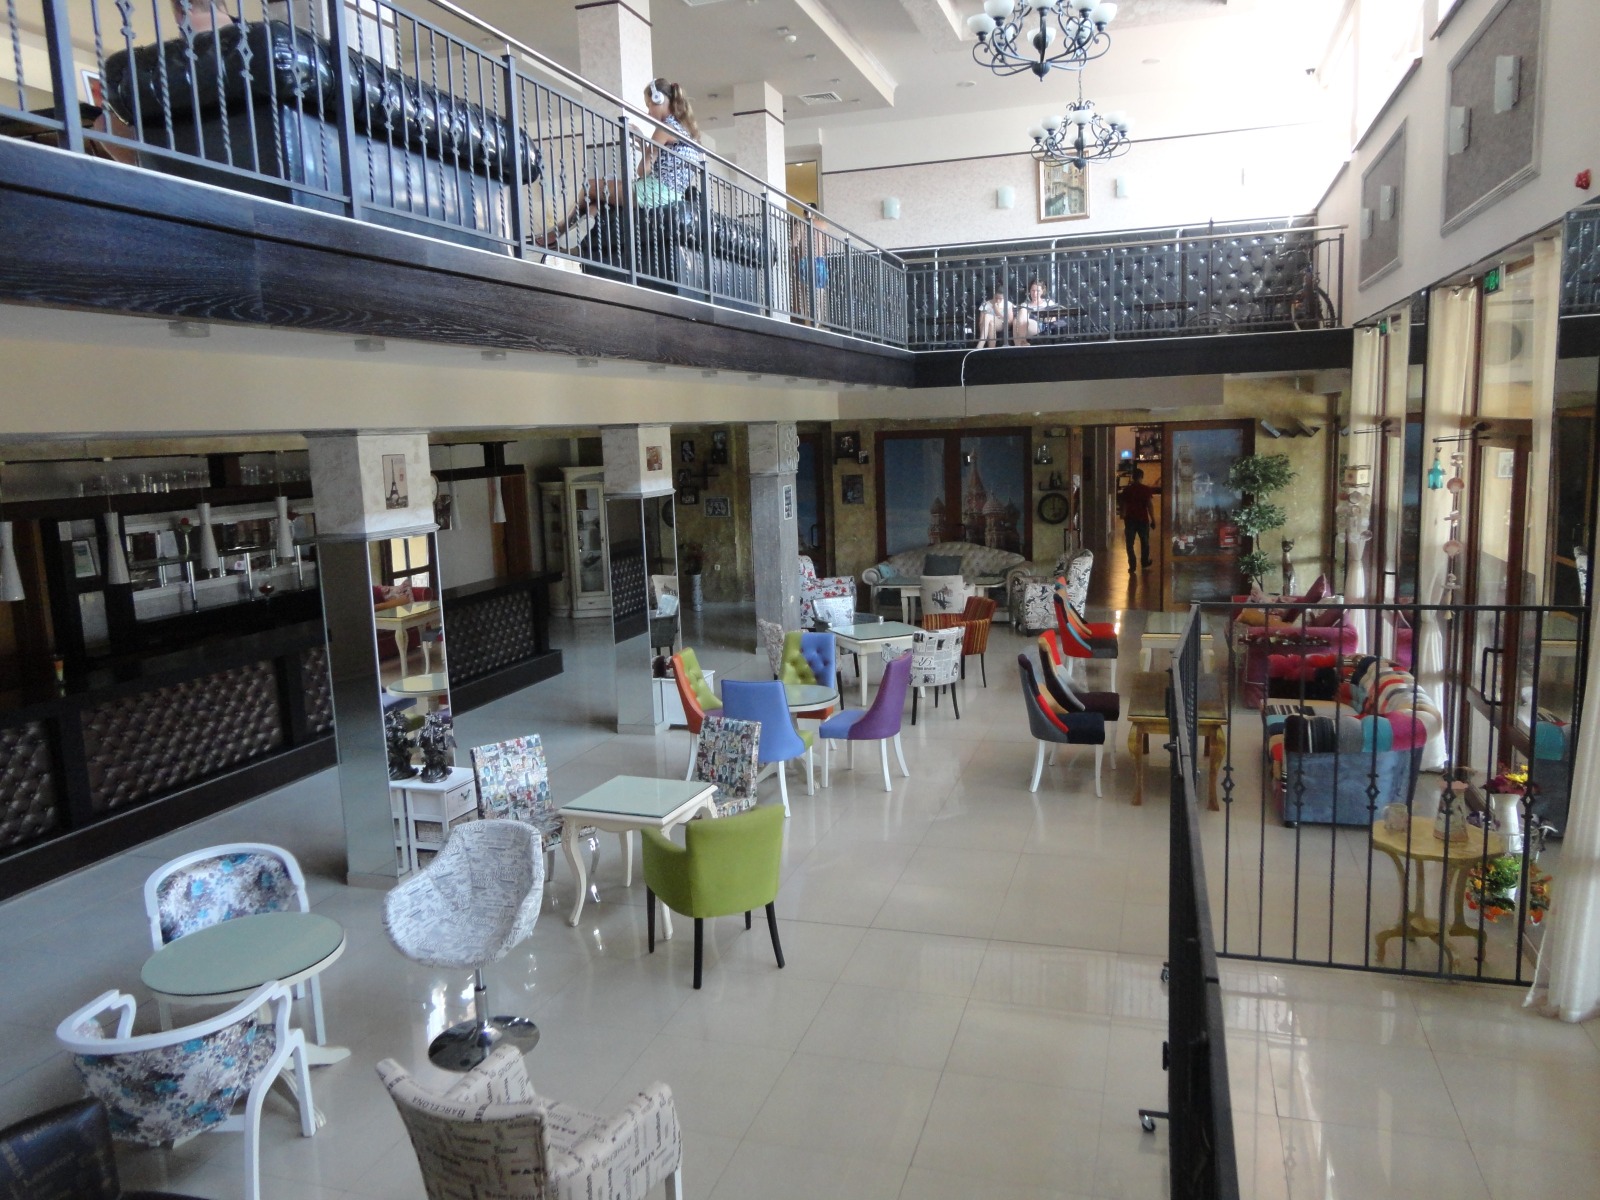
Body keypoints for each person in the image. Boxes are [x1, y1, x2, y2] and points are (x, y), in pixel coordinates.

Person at [535, 78, 704, 249]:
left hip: (652, 193)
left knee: (589, 187)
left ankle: (560, 230)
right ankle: (583, 229)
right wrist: (643, 142)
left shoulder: (665, 129)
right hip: (672, 195)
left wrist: (641, 140)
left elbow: (643, 170)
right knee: (602, 196)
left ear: (658, 99)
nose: (648, 112)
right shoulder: (685, 133)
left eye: (649, 105)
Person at [1118, 468, 1157, 573]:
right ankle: (1144, 562)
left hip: (1130, 519)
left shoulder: (1127, 490)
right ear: (1141, 477)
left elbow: (1124, 504)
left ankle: (1132, 565)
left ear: (1133, 477)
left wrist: (1122, 514)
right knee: (1145, 542)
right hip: (1143, 519)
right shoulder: (1146, 490)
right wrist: (1153, 519)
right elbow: (1149, 505)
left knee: (1129, 544)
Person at [1011, 278, 1062, 346]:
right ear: (1030, 291)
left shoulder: (1048, 302)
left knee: (1020, 316)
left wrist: (1038, 317)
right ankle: (1021, 344)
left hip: (1040, 325)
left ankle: (1020, 344)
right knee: (1016, 320)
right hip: (1024, 325)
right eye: (1033, 290)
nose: (1035, 293)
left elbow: (1053, 319)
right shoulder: (1025, 304)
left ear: (1042, 291)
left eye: (1037, 291)